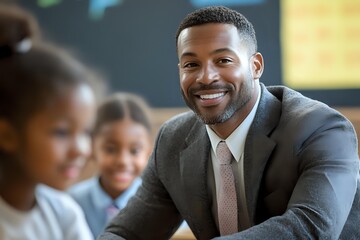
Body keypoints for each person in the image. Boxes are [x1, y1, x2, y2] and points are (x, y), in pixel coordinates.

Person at [99, 6, 360, 240]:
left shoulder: (321, 129)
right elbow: (125, 232)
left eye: (223, 60)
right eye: (191, 64)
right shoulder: (173, 140)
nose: (206, 77)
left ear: (256, 66)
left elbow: (311, 228)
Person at [0, 3, 104, 240]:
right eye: (61, 132)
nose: (82, 149)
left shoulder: (63, 213)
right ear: (7, 135)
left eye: (86, 132)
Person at [69, 92, 154, 238]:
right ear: (91, 148)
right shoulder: (71, 203)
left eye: (134, 151)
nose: (122, 161)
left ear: (148, 152)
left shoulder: (158, 206)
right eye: (110, 149)